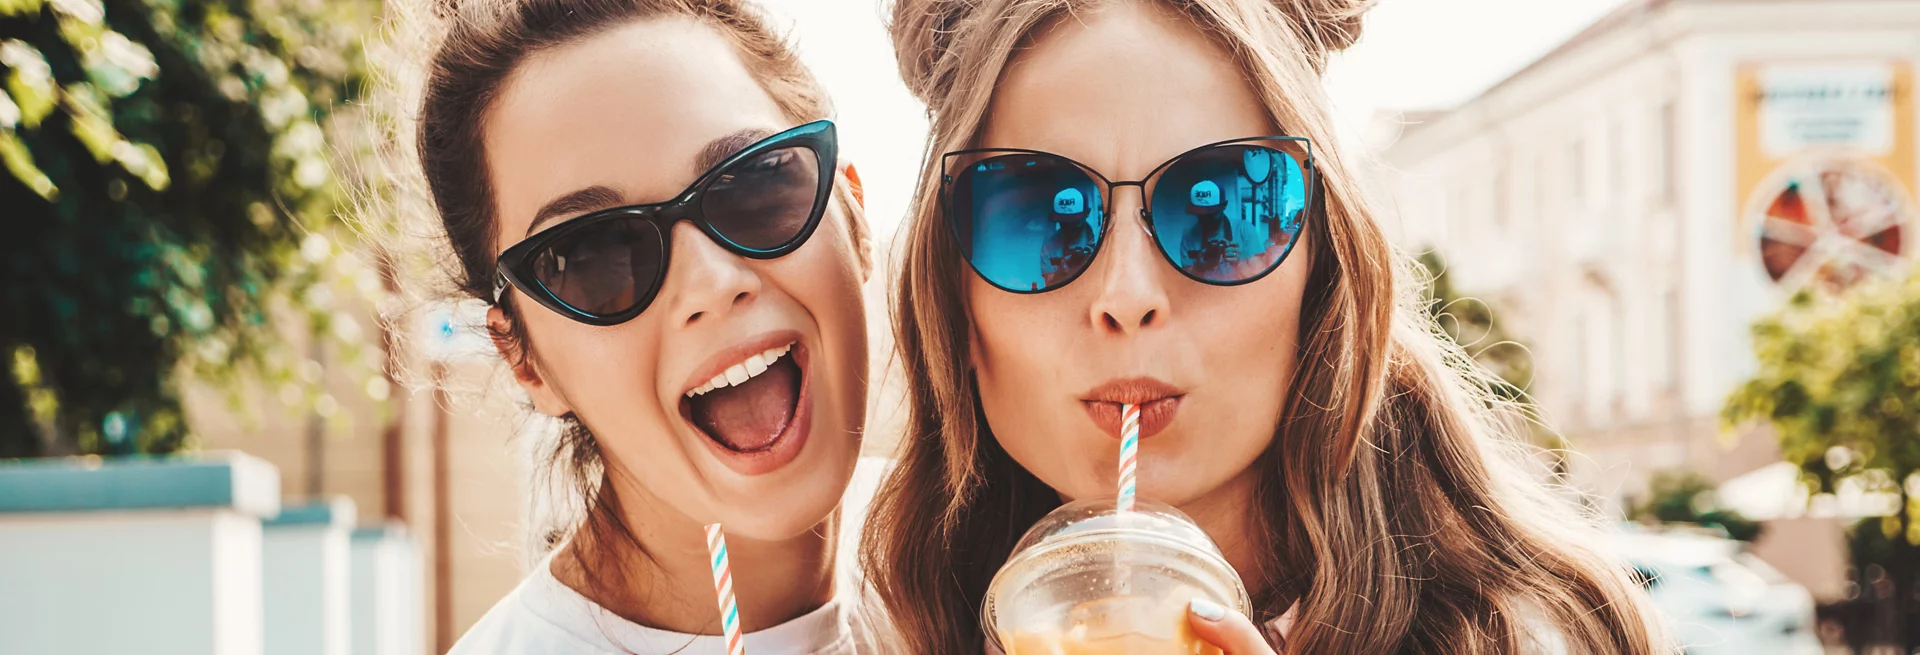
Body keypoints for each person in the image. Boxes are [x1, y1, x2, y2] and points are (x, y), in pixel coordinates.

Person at [863, 0, 1671, 652]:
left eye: (1219, 206)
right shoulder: (882, 633)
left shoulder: (1528, 635)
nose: (1127, 294)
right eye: (1041, 214)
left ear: (1322, 264)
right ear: (951, 294)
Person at [403, 0, 887, 652]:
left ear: (853, 212)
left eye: (755, 183)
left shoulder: (999, 562)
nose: (711, 284)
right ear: (525, 360)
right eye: (593, 255)